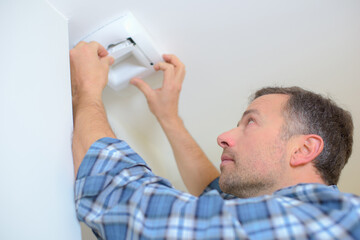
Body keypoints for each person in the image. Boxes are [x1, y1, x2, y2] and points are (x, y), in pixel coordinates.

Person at [70, 41, 360, 239]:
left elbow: (131, 208)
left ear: (303, 149)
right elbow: (216, 196)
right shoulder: (303, 223)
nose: (223, 137)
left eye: (251, 123)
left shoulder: (343, 218)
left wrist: (88, 91)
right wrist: (169, 117)